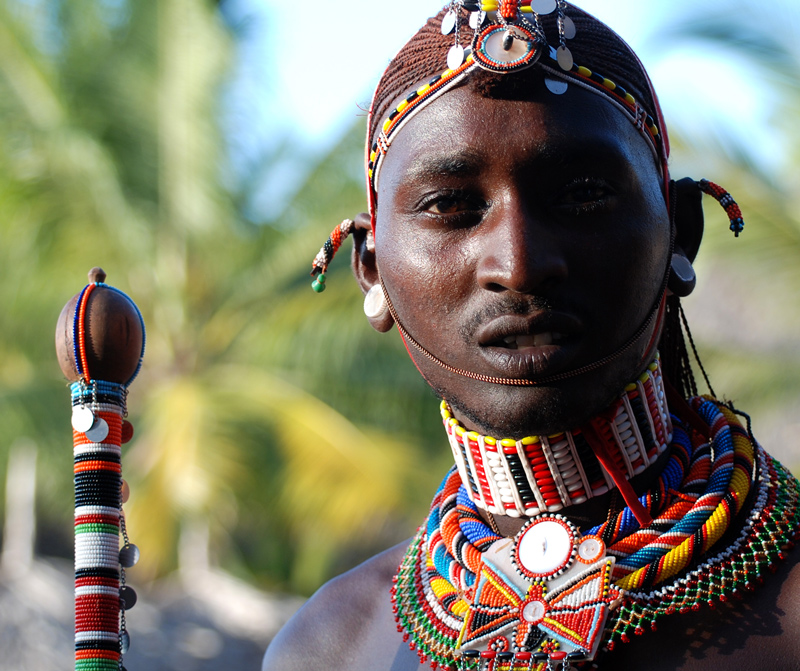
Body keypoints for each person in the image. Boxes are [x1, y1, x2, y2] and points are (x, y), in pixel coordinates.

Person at [263, 2, 800, 669]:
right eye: (450, 206)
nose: (518, 264)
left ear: (679, 236)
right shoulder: (331, 647)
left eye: (581, 194)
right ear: (372, 269)